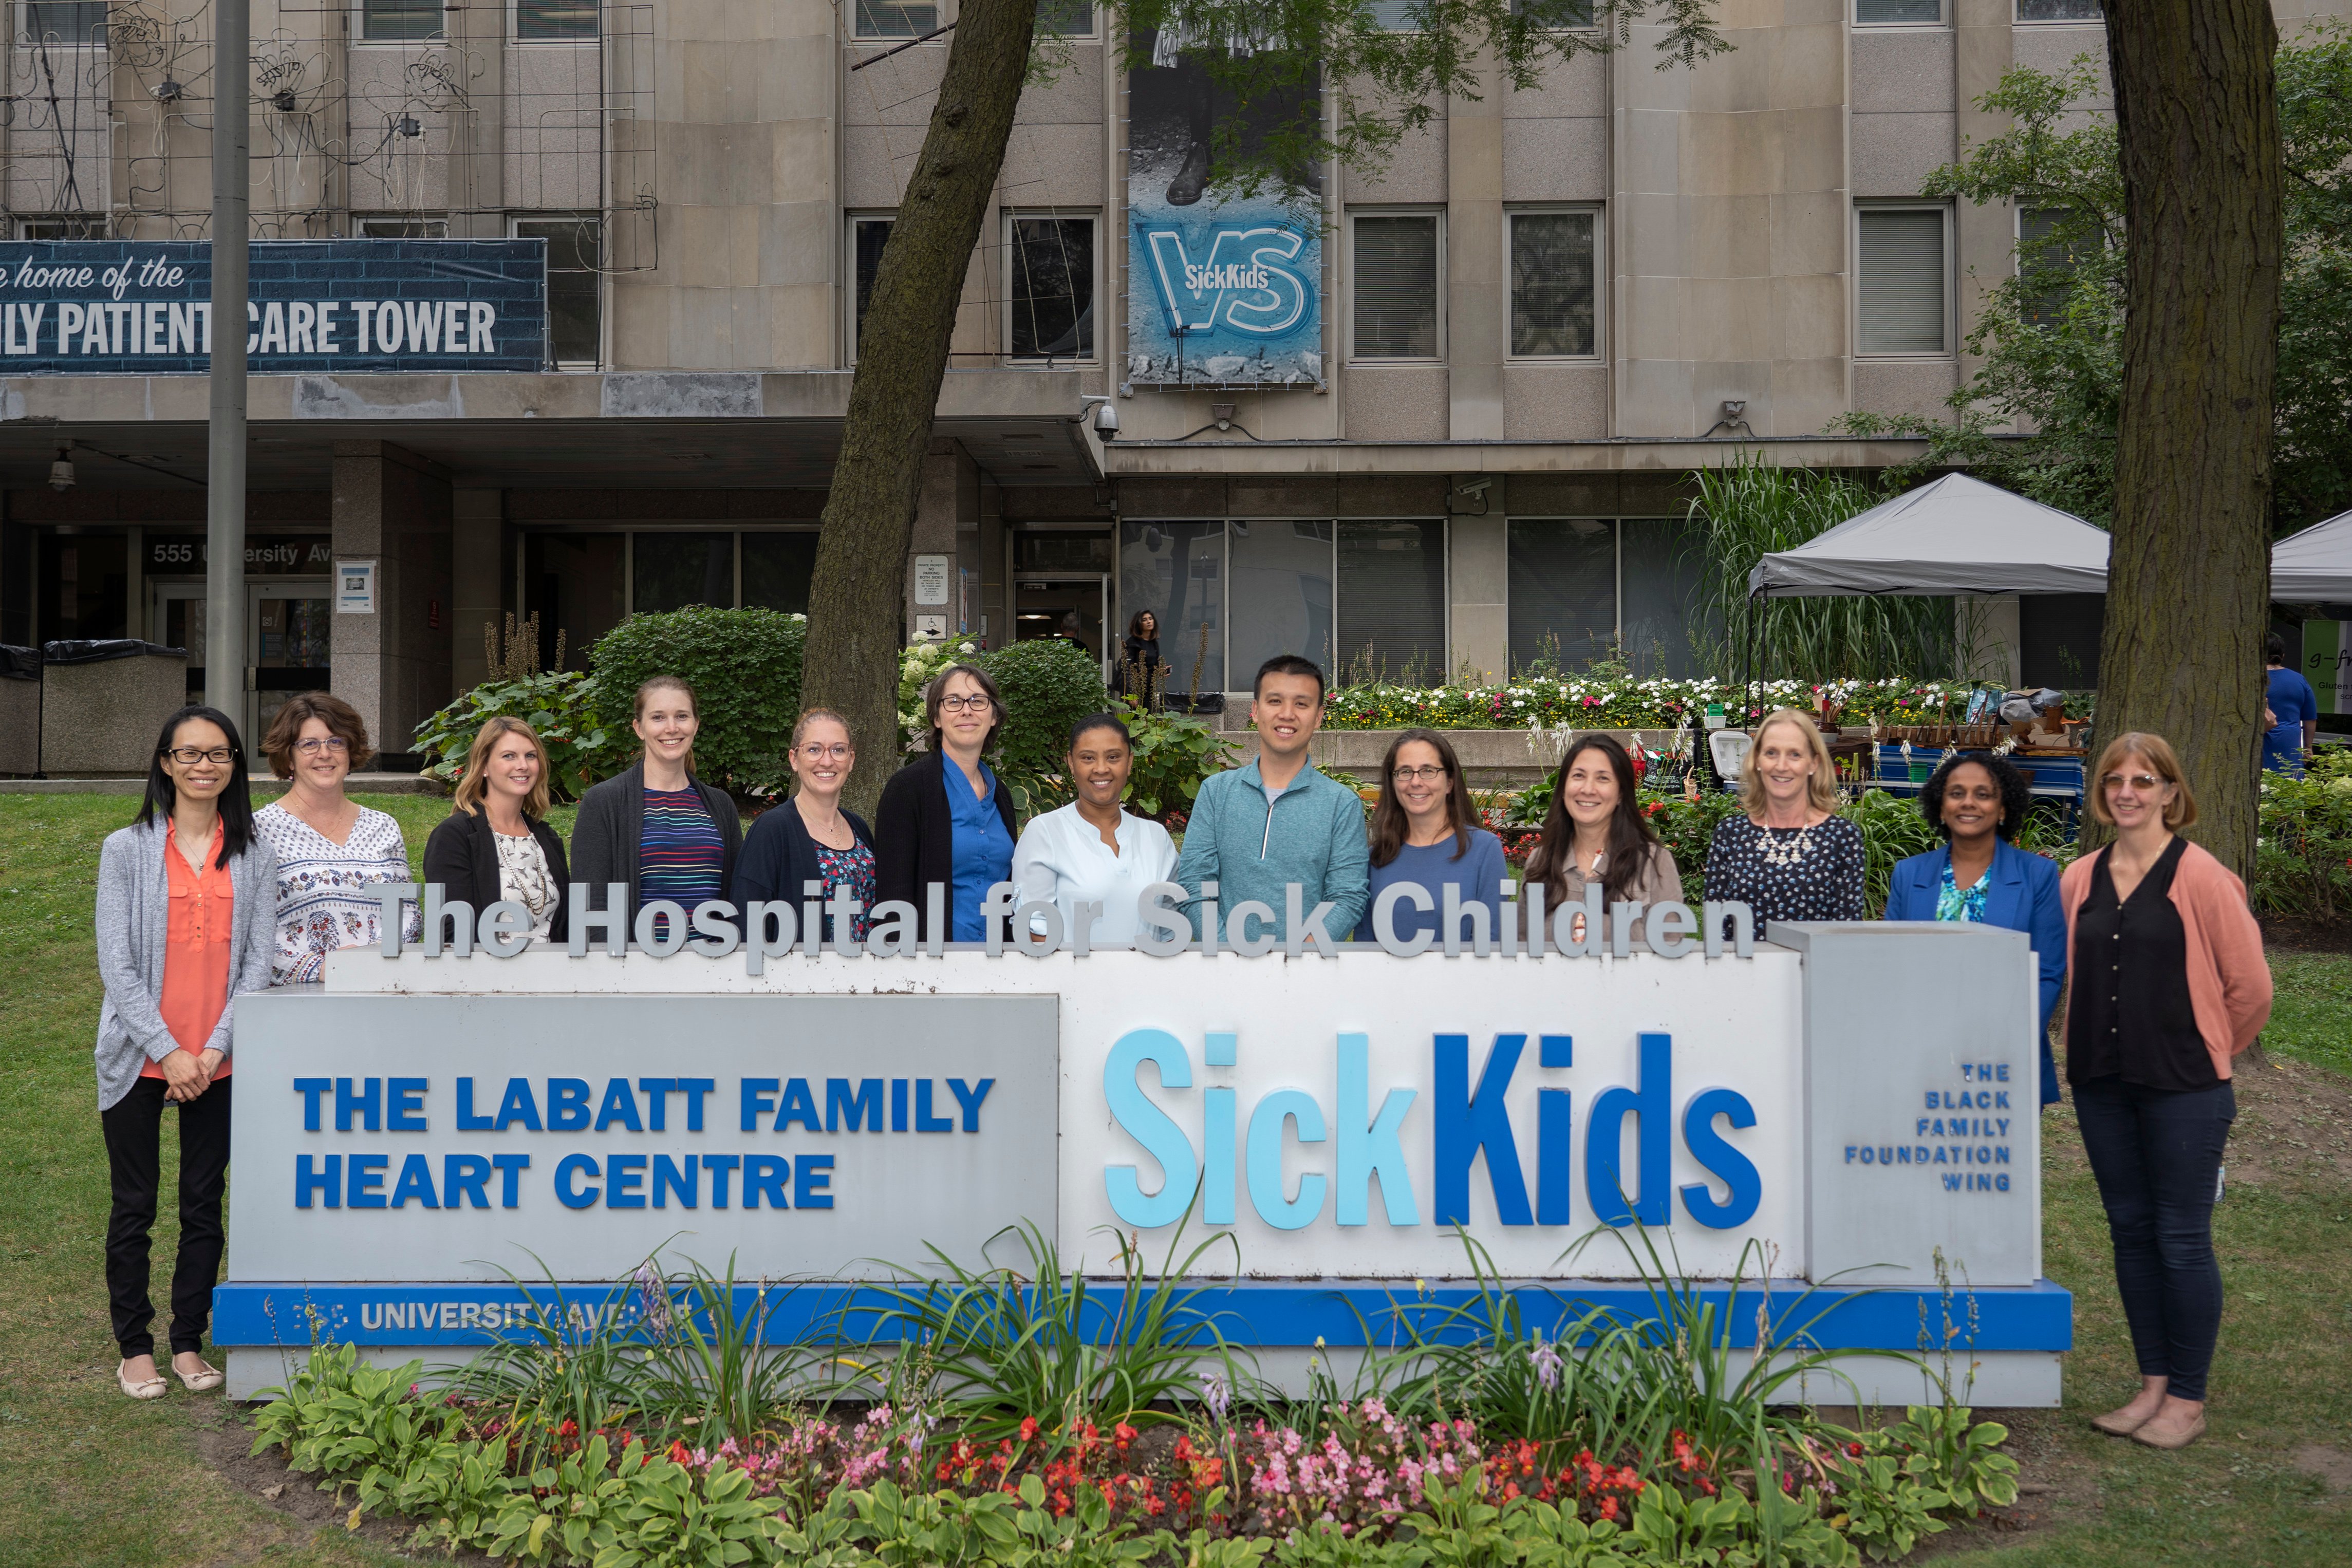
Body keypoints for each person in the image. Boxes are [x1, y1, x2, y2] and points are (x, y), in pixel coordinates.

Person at [2062, 733, 2270, 1452]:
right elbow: (2074, 971)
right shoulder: (2078, 877)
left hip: (2184, 1088)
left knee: (2180, 1239)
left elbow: (2250, 990)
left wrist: (2207, 1049)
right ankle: (2151, 1383)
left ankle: (2187, 1397)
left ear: (2170, 794)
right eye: (2115, 780)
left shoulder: (2204, 878)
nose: (2127, 792)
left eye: (2143, 781)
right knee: (2129, 1232)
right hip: (2100, 1083)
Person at [95, 706, 277, 1399]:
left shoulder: (255, 855)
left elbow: (257, 965)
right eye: (191, 754)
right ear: (165, 763)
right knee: (134, 1204)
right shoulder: (126, 849)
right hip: (139, 1057)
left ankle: (187, 1342)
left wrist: (211, 1049)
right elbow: (118, 964)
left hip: (219, 1062)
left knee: (204, 1203)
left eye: (220, 754)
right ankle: (134, 1346)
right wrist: (170, 1051)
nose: (206, 766)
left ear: (234, 765)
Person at [1882, 752, 2066, 1104]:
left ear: (2002, 809)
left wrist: (2004, 1041)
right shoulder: (1909, 874)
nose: (1969, 802)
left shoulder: (2037, 876)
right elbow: (1893, 966)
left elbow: (2047, 972)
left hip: (2005, 1058)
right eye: (1957, 793)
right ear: (1940, 807)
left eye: (1983, 794)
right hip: (1921, 1053)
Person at [1174, 654, 1370, 945]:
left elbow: (1347, 896)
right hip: (1224, 971)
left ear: (1318, 716)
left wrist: (1298, 961)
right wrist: (1230, 954)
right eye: (1275, 701)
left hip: (1305, 975)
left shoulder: (1341, 804)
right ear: (1255, 710)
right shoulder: (1216, 792)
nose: (1287, 714)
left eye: (1301, 704)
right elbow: (1194, 885)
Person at [252, 692, 418, 985]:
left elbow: (408, 913)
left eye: (336, 742)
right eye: (309, 744)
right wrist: (324, 969)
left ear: (350, 751)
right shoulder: (259, 831)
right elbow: (248, 930)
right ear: (288, 758)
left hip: (381, 988)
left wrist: (371, 959)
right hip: (297, 1001)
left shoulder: (383, 827)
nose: (324, 753)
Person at [572, 676, 743, 938]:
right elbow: (592, 905)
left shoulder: (720, 806)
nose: (672, 728)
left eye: (682, 716)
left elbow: (736, 897)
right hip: (638, 970)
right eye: (658, 718)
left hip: (712, 967)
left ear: (696, 725)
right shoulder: (604, 802)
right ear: (639, 728)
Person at [876, 663, 1019, 942]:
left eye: (978, 701)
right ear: (937, 718)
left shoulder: (999, 793)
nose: (967, 710)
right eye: (953, 702)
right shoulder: (907, 789)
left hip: (1000, 963)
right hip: (933, 968)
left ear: (994, 717)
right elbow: (894, 897)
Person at [1012, 714, 1179, 945]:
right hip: (1070, 979)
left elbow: (1170, 932)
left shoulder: (1156, 837)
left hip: (1147, 980)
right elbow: (1036, 932)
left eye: (1113, 757)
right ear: (1071, 762)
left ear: (1130, 762)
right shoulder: (1045, 833)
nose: (1101, 769)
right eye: (1088, 758)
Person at [1702, 707, 1864, 937]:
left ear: (1814, 763)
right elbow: (1716, 928)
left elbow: (1846, 932)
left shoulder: (1841, 836)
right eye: (1771, 753)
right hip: (1742, 971)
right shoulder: (1731, 833)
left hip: (1812, 970)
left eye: (1795, 755)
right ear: (1757, 760)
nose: (1781, 765)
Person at [1517, 733, 1683, 947]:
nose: (1588, 789)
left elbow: (1671, 950)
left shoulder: (1655, 862)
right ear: (1563, 788)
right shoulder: (1541, 861)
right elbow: (1522, 946)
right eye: (1578, 776)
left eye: (1603, 778)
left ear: (1622, 793)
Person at [421, 716, 572, 943]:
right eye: (509, 756)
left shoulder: (546, 838)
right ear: (484, 767)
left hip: (551, 974)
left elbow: (566, 925)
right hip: (485, 975)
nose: (523, 765)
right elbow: (452, 932)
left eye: (530, 756)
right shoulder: (455, 837)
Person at [1353, 729, 1506, 944]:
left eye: (1428, 770)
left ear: (1450, 782)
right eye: (1405, 771)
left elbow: (1492, 941)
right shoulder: (1375, 859)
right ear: (1393, 783)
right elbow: (1365, 947)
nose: (1416, 782)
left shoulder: (1484, 850)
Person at [738, 708, 875, 942]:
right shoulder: (772, 830)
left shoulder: (858, 827)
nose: (827, 761)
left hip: (866, 975)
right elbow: (748, 925)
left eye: (838, 750)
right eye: (814, 750)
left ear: (851, 760)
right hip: (803, 976)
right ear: (794, 759)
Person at [2262, 631, 2318, 777]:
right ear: (2283, 656)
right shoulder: (2299, 680)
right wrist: (2308, 747)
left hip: (2260, 738)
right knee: (2289, 786)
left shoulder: (2253, 678)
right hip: (2289, 740)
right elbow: (2310, 718)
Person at [1121, 610, 1166, 706]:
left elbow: (1152, 666)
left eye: (1151, 619)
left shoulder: (1154, 642)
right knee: (1136, 718)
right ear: (1139, 624)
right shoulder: (1133, 643)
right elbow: (1128, 670)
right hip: (1136, 689)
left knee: (1150, 717)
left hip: (1150, 689)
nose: (1149, 622)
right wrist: (1131, 694)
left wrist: (1160, 671)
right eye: (1145, 620)